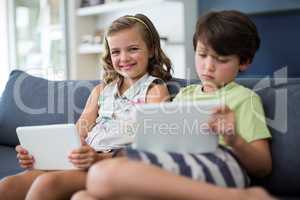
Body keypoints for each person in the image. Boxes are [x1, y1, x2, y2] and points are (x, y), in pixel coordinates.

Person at [71, 10, 275, 200]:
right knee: (82, 197)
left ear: (244, 61)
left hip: (220, 162)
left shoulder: (244, 98)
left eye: (221, 59)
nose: (208, 66)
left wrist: (234, 139)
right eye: (202, 55)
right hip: (176, 163)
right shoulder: (184, 94)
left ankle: (241, 197)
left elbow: (263, 167)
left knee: (100, 176)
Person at [0, 13, 172, 200]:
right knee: (8, 185)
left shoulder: (154, 90)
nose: (124, 58)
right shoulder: (101, 91)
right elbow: (77, 133)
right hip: (83, 159)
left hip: (112, 164)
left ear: (152, 49)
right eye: (116, 52)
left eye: (132, 49)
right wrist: (40, 155)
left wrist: (98, 158)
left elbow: (154, 146)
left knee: (47, 184)